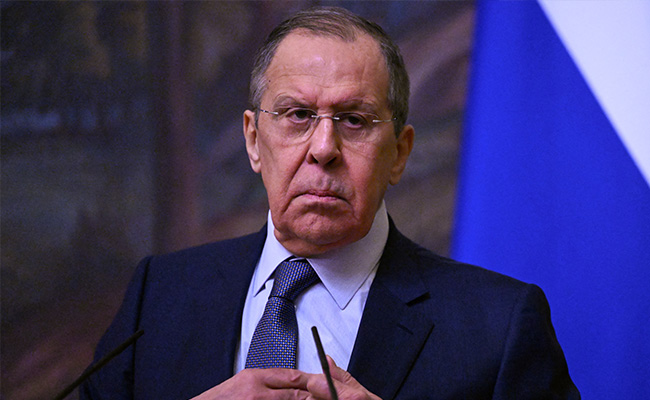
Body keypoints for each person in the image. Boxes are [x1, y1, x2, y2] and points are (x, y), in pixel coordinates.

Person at [81, 6, 579, 400]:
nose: (323, 148)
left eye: (354, 120)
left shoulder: (498, 325)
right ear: (253, 141)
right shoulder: (159, 296)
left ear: (399, 153)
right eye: (298, 114)